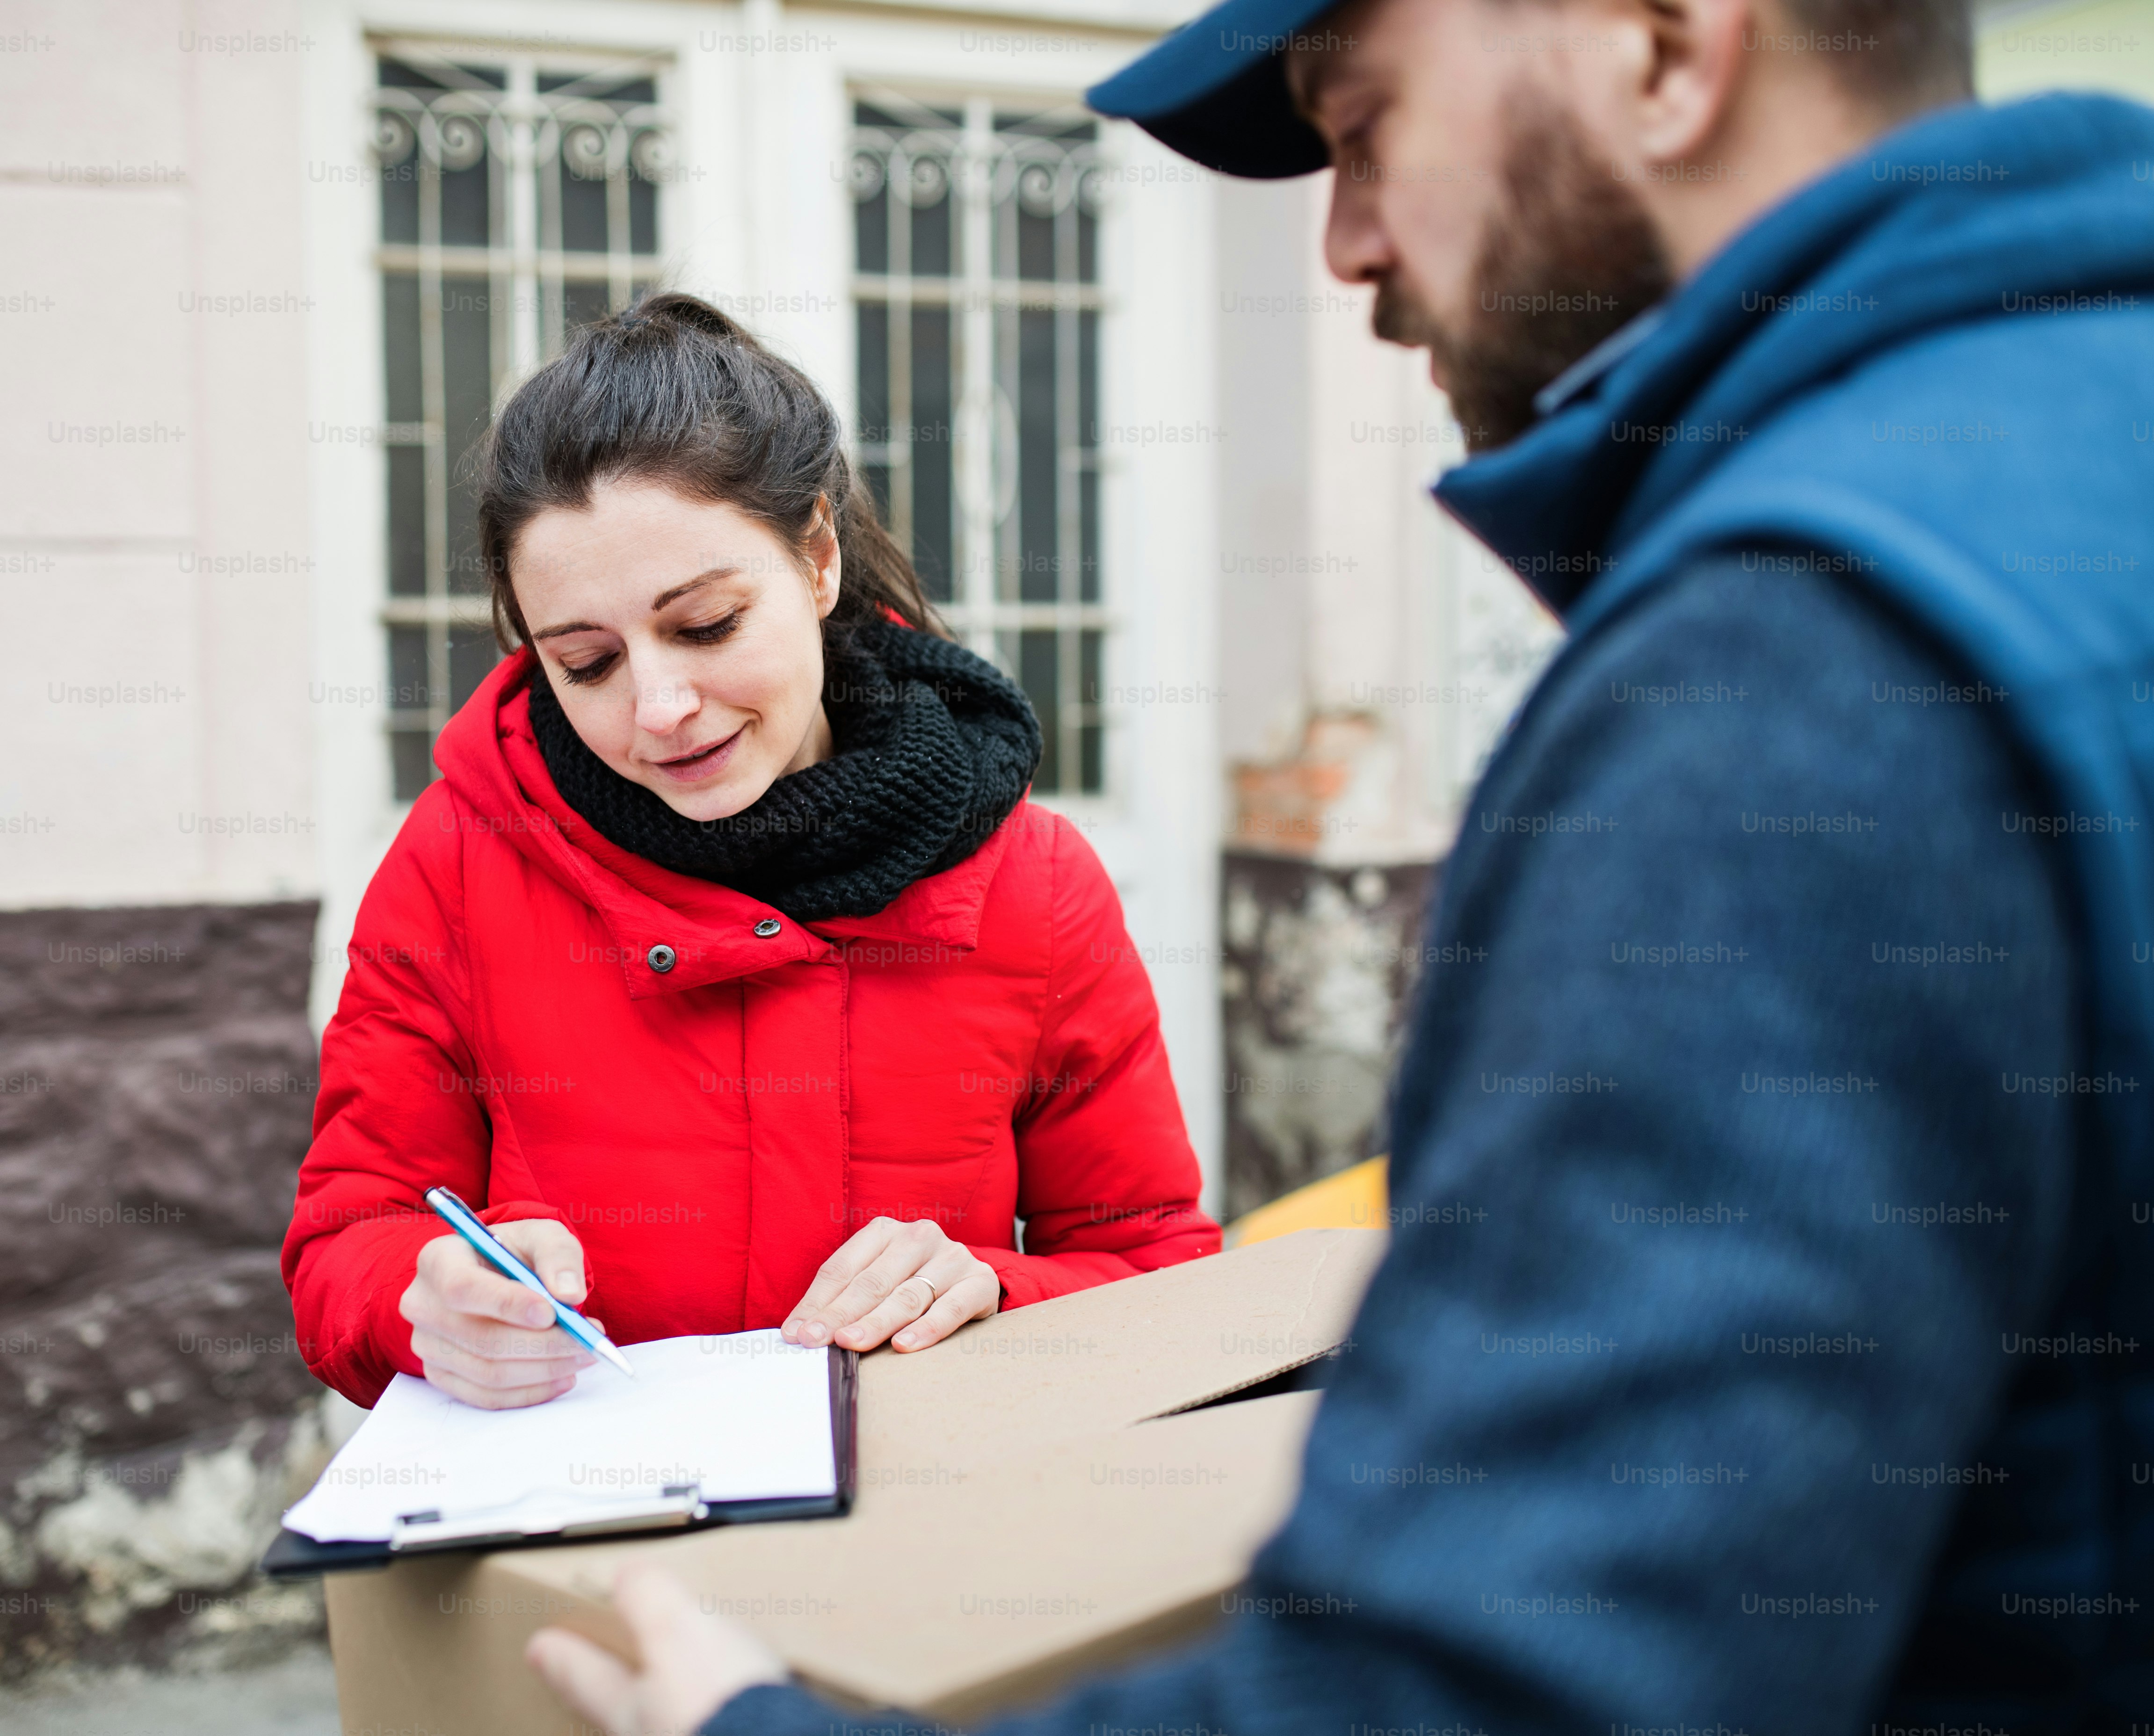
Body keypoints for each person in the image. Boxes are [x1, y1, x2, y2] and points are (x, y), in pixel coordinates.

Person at [524, 0, 2154, 1729]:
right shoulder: (2074, 455)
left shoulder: (1784, 682)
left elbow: (1499, 1681)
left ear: (1666, 49)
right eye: (585, 657)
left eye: (1365, 128)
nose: (1346, 244)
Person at [281, 294, 1218, 1415]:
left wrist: (993, 1290)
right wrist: (419, 1303)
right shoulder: (457, 862)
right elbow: (348, 1235)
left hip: (922, 1544)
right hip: (588, 1559)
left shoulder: (1033, 881)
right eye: (586, 663)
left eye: (708, 624)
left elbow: (1153, 1265)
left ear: (817, 558)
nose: (661, 707)